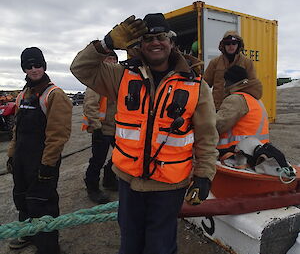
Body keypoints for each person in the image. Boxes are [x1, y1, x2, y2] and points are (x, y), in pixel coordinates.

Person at [70, 13, 218, 254]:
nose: (155, 42)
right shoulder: (121, 75)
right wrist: (107, 43)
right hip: (129, 181)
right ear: (139, 45)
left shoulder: (196, 85)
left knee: (160, 247)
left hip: (169, 186)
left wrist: (204, 175)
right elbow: (80, 68)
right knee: (130, 244)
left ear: (171, 42)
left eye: (161, 37)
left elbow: (206, 136)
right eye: (148, 38)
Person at [6, 47, 72, 254]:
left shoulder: (54, 94)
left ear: (44, 66)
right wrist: (11, 155)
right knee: (22, 198)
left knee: (42, 203)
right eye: (29, 65)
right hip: (22, 159)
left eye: (38, 65)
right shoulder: (22, 95)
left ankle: (48, 247)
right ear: (24, 68)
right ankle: (28, 232)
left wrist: (47, 165)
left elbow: (58, 135)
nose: (33, 69)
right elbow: (17, 129)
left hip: (42, 161)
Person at [82, 51, 118, 204]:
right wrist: (96, 127)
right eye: (108, 59)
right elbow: (90, 105)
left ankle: (109, 180)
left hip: (117, 129)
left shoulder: (118, 80)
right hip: (102, 129)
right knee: (97, 160)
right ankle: (92, 187)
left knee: (119, 157)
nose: (111, 61)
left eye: (114, 59)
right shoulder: (97, 81)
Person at [216, 65, 269, 156]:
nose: (224, 85)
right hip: (257, 151)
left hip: (236, 153)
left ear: (230, 81)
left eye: (225, 82)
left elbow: (217, 125)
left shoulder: (236, 99)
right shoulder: (254, 99)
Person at [203, 31, 263, 110]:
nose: (231, 46)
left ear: (239, 45)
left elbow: (253, 86)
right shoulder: (215, 62)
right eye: (228, 43)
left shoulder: (247, 62)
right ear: (223, 45)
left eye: (234, 43)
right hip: (217, 107)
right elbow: (205, 85)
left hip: (239, 108)